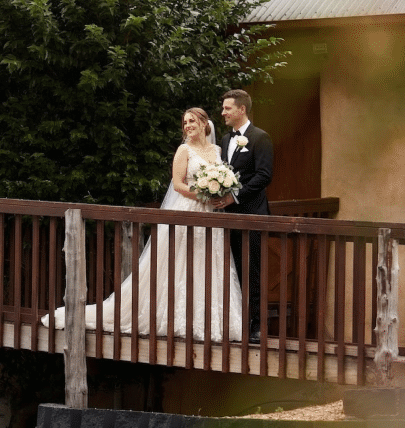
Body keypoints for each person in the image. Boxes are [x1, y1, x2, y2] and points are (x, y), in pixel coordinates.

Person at [42, 108, 243, 342]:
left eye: (192, 121)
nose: (187, 125)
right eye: (185, 122)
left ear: (204, 123)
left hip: (211, 216)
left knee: (207, 262)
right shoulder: (183, 150)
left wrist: (219, 190)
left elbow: (222, 177)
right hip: (187, 211)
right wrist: (204, 193)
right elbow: (178, 185)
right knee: (179, 262)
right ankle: (175, 318)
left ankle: (211, 321)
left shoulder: (217, 150)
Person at [214, 89, 273, 342]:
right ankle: (239, 322)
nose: (223, 113)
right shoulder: (226, 140)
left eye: (227, 108)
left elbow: (264, 175)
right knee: (234, 269)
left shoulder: (260, 138)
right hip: (228, 217)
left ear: (241, 110)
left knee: (254, 269)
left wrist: (234, 196)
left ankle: (258, 325)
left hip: (253, 214)